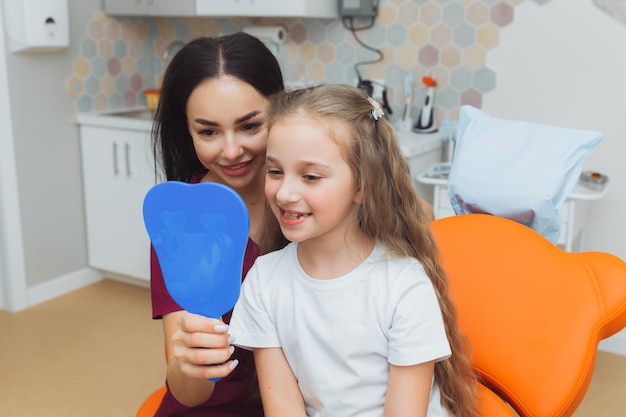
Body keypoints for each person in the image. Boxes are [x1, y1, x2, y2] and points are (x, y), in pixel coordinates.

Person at [229, 85, 477, 417]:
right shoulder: (263, 279)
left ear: (362, 185)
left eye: (311, 176)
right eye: (275, 171)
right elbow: (284, 405)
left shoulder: (403, 285)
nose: (285, 192)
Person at [149, 32, 288, 416]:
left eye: (249, 126)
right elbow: (188, 392)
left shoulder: (306, 198)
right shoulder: (179, 223)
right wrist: (190, 366)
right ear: (188, 131)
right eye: (208, 131)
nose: (231, 151)